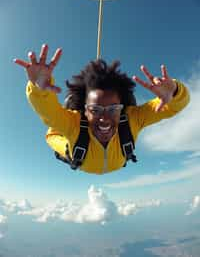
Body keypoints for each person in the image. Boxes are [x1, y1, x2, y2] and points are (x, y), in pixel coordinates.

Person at [14, 44, 190, 174]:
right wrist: (39, 89)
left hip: (108, 161)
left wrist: (174, 91)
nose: (104, 118)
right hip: (73, 149)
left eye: (113, 109)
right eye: (95, 109)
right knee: (59, 136)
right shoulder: (74, 123)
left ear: (123, 108)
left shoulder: (132, 118)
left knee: (61, 128)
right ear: (84, 110)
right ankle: (65, 145)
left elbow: (173, 107)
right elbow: (47, 111)